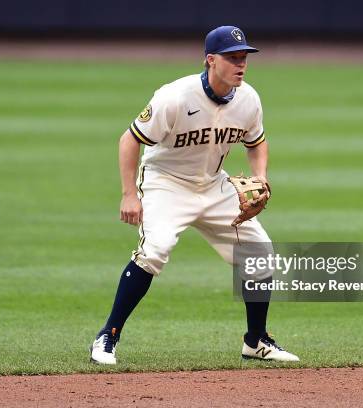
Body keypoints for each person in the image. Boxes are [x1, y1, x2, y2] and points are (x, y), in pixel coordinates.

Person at [90, 25, 299, 364]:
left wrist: (260, 177)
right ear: (210, 60)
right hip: (166, 184)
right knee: (154, 251)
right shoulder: (174, 97)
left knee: (260, 253)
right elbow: (129, 140)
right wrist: (130, 195)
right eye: (233, 58)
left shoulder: (248, 99)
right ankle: (107, 336)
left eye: (244, 57)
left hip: (215, 185)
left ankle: (256, 340)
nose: (241, 64)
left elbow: (257, 142)